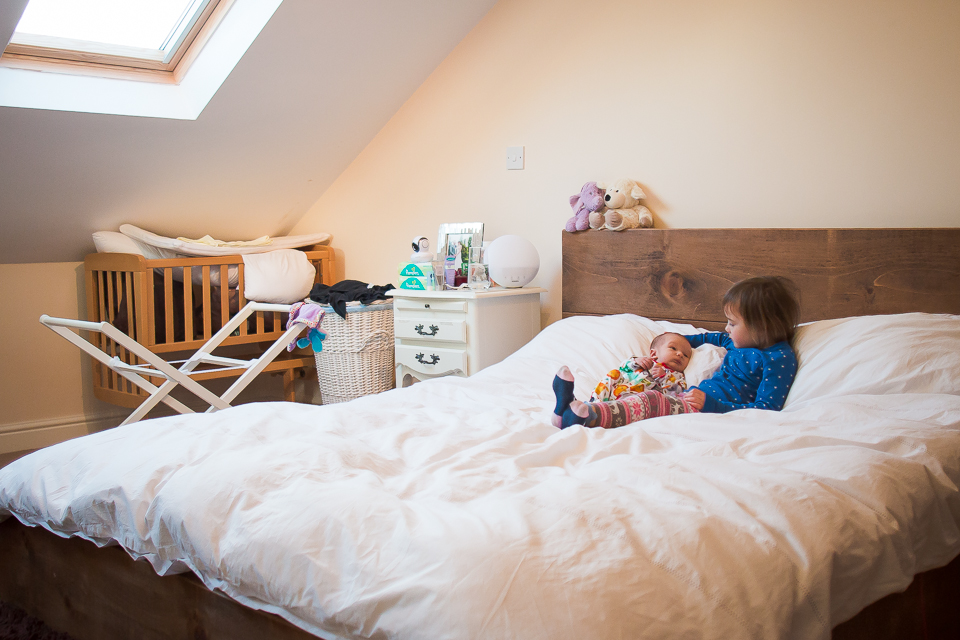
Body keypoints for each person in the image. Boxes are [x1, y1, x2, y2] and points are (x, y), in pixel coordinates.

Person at [552, 276, 801, 429]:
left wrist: (715, 405)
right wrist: (671, 342)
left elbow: (767, 409)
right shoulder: (735, 341)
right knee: (638, 393)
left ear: (762, 326)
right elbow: (702, 338)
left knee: (650, 402)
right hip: (690, 397)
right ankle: (570, 410)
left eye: (733, 323)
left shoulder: (778, 359)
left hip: (707, 409)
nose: (726, 329)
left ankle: (588, 416)